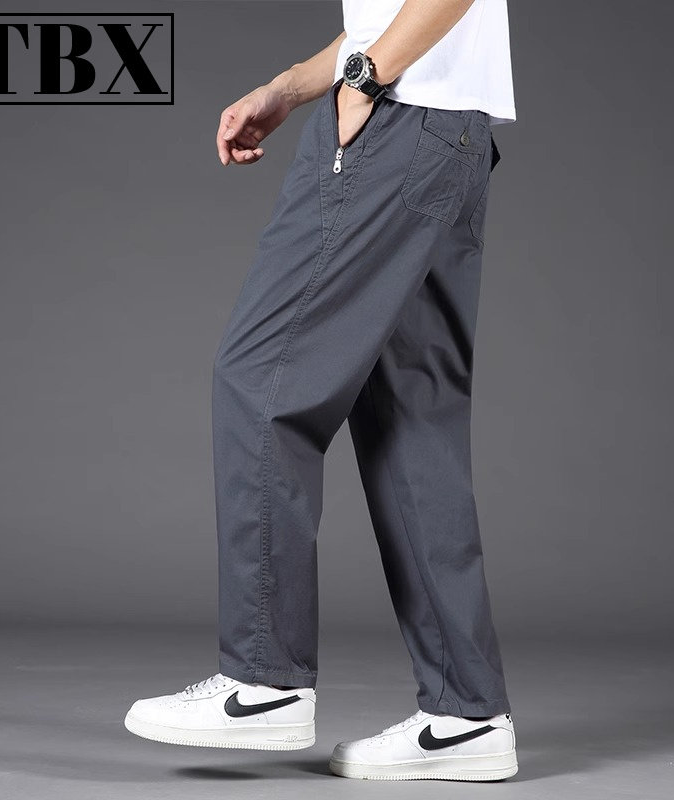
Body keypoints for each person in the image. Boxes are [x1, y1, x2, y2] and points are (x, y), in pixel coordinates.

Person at [124, 0, 518, 782]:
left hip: (399, 123)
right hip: (450, 136)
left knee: (259, 380)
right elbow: (387, 13)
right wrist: (292, 86)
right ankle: (466, 714)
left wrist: (364, 83)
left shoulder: (385, 94)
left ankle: (264, 679)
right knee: (411, 422)